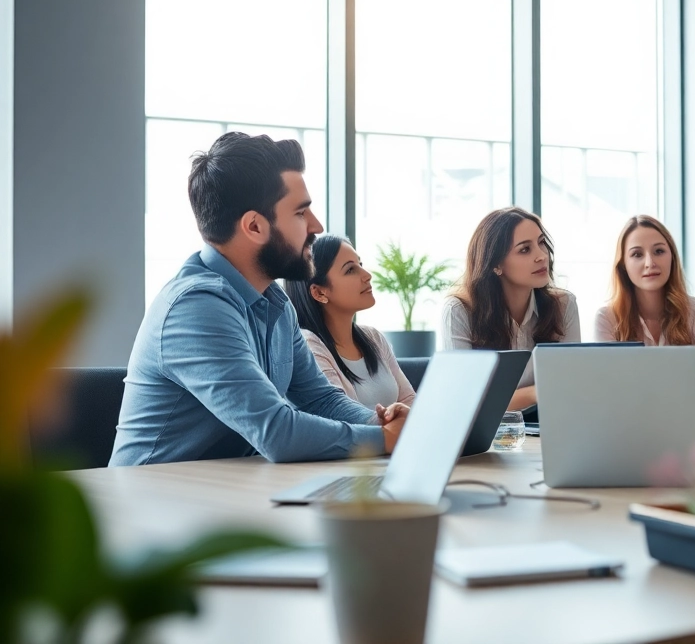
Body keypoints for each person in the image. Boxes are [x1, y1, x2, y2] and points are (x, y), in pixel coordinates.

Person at [112, 133, 407, 466]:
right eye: (301, 213)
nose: (316, 226)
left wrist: (382, 422)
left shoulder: (276, 304)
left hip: (228, 486)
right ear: (254, 226)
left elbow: (320, 400)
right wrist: (385, 438)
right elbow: (276, 433)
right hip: (152, 491)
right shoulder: (195, 306)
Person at [440, 207, 581, 411]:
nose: (541, 256)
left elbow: (570, 387)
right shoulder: (459, 310)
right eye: (525, 249)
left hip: (547, 423)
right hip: (485, 429)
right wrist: (535, 393)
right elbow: (463, 402)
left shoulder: (563, 304)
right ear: (496, 265)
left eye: (541, 242)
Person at [593, 215, 695, 411]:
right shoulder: (607, 319)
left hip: (683, 426)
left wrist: (646, 399)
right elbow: (609, 393)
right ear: (623, 265)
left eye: (659, 251)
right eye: (637, 254)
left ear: (672, 257)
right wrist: (679, 397)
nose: (650, 262)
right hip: (630, 427)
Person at [284, 235, 416, 411]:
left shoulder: (373, 337)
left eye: (360, 265)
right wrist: (397, 421)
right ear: (319, 292)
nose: (367, 275)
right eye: (350, 270)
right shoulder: (307, 346)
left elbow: (410, 400)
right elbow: (339, 415)